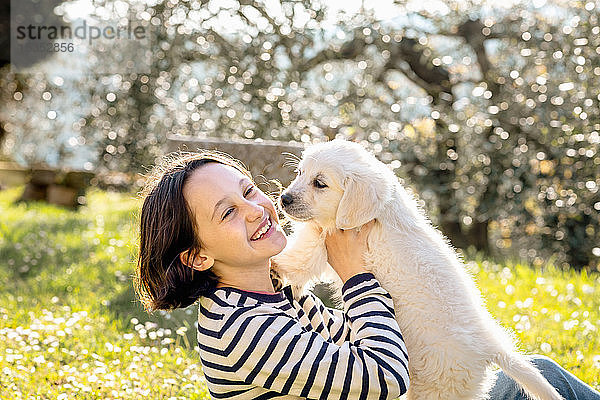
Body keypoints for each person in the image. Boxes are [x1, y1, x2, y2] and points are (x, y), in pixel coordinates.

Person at [134, 151, 600, 400]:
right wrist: (356, 275)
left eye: (249, 190)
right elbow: (383, 376)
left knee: (540, 372)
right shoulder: (243, 329)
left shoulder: (274, 292)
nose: (258, 209)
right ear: (195, 256)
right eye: (228, 213)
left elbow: (350, 338)